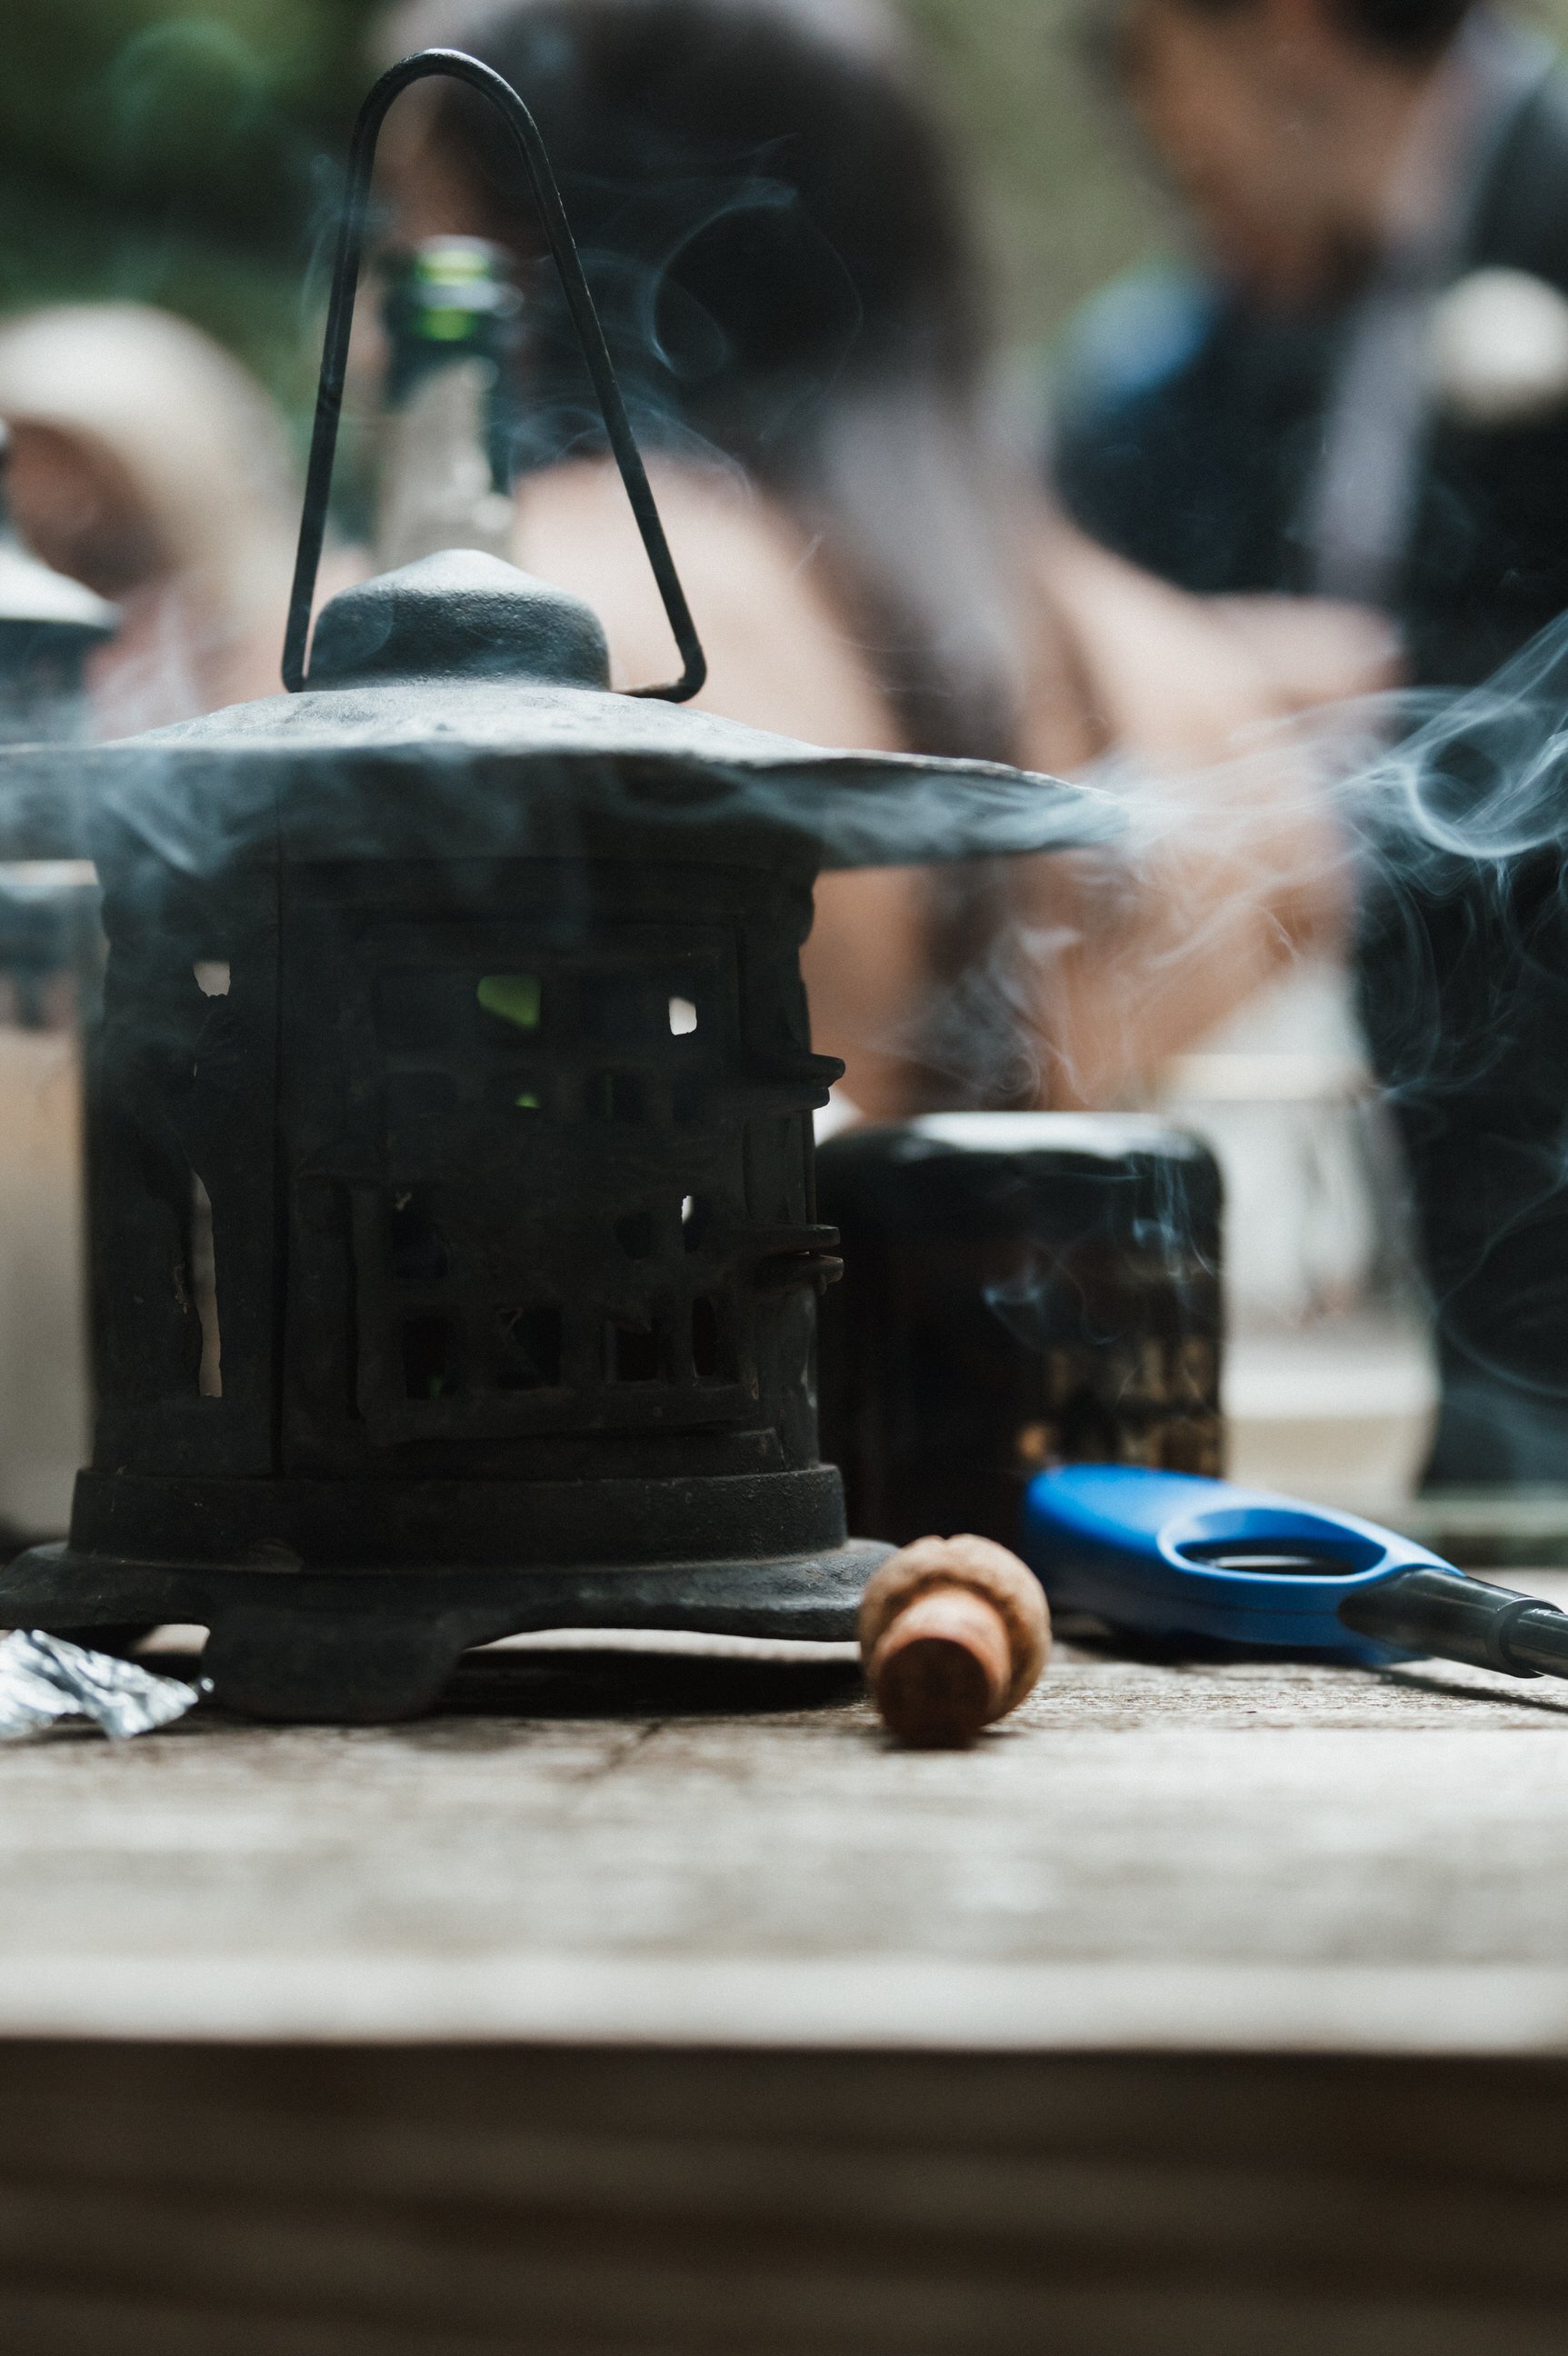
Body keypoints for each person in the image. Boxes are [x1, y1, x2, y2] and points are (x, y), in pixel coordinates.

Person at [375, 0, 1390, 1118]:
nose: (375, 329)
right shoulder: (1216, 707)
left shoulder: (521, 637)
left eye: (409, 228)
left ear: (531, 255)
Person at [1055, 0, 1568, 1483]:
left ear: (1280, 28)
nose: (1155, 133)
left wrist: (1386, 695)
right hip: (1418, 1210)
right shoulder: (1239, 332)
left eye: (1146, 58)